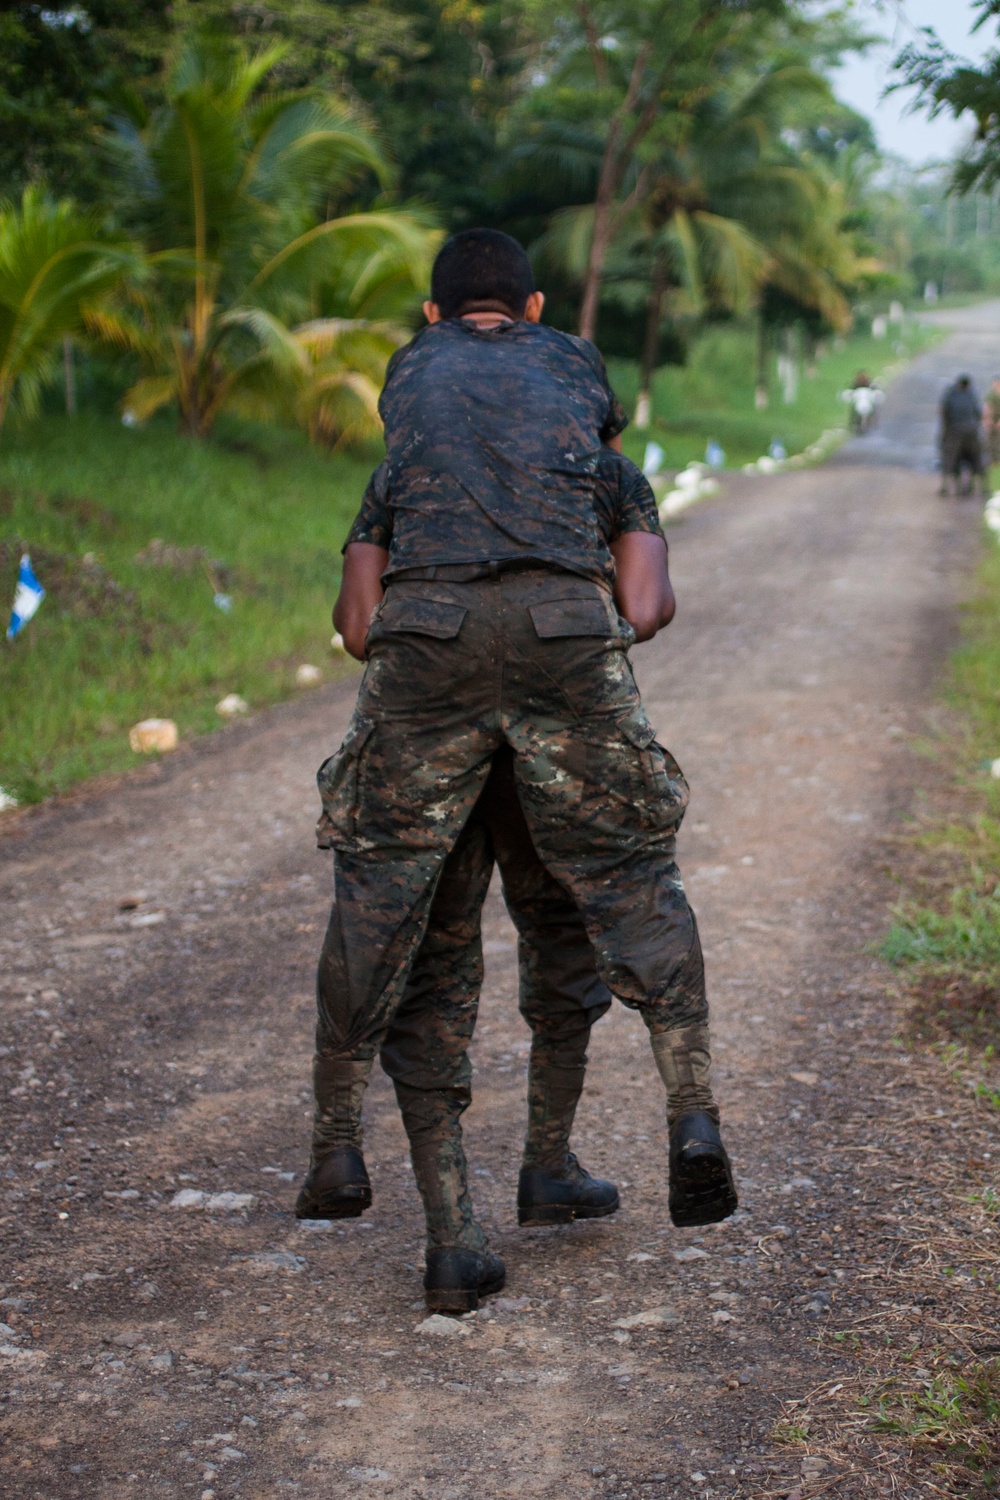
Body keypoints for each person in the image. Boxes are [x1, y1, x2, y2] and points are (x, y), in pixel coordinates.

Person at [297, 228, 738, 1311]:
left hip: (426, 651)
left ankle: (376, 1177)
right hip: (563, 646)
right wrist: (556, 659)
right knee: (622, 887)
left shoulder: (397, 454)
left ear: (430, 319)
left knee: (398, 908)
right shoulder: (598, 436)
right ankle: (687, 1111)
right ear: (534, 308)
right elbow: (643, 608)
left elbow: (357, 629)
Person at [939, 375, 986, 496]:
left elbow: (945, 413)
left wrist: (946, 431)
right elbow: (978, 413)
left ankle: (948, 487)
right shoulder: (972, 395)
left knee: (951, 458)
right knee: (974, 458)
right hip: (971, 432)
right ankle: (974, 486)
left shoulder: (950, 395)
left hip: (955, 432)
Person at [984, 376, 1000, 467]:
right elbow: (987, 407)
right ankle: (993, 460)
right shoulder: (990, 394)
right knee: (990, 442)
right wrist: (987, 420)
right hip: (991, 421)